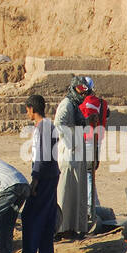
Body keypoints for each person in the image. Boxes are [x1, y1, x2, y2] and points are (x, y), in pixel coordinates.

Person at [18, 94, 59, 253]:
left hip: (44, 176)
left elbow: (41, 158)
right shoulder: (49, 125)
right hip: (52, 174)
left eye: (27, 110)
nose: (27, 113)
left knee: (30, 216)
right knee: (47, 216)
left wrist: (34, 181)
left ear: (32, 109)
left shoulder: (42, 128)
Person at [54, 78, 90, 241]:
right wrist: (71, 143)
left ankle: (73, 227)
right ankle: (61, 227)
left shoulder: (75, 106)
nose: (82, 95)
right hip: (69, 154)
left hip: (77, 154)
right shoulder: (67, 104)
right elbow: (59, 124)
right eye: (80, 91)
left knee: (76, 192)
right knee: (65, 193)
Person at [78, 77, 109, 231]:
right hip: (97, 140)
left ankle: (92, 208)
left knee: (88, 174)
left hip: (88, 140)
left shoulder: (88, 103)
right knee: (90, 174)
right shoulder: (102, 103)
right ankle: (94, 204)